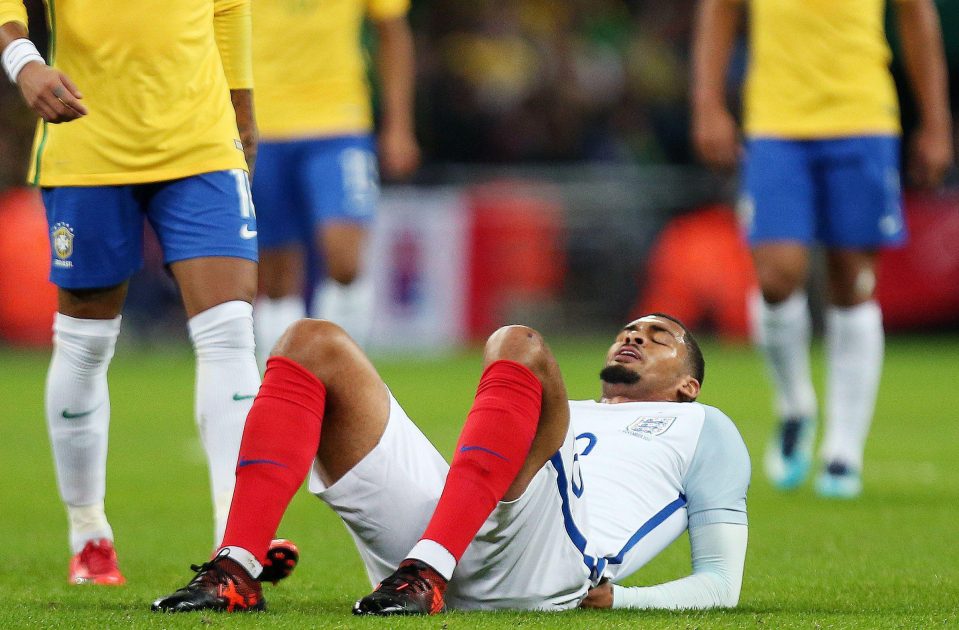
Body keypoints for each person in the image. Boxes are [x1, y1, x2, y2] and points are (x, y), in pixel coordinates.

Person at [152, 313, 750, 614]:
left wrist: (621, 600)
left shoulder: (705, 427)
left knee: (519, 342)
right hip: (453, 528)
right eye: (630, 329)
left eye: (659, 336)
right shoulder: (575, 409)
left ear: (690, 385)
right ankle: (236, 568)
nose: (635, 337)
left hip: (551, 562)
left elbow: (721, 587)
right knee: (312, 342)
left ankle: (429, 573)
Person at [0, 0, 261, 583]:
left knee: (228, 333)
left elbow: (229, 7)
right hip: (88, 136)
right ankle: (88, 533)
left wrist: (242, 108)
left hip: (201, 139)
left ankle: (236, 544)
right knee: (86, 342)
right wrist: (24, 63)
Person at [691, 0, 953, 498]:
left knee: (853, 280)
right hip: (776, 123)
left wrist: (936, 122)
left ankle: (842, 450)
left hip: (863, 118)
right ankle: (794, 406)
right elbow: (719, 11)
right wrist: (708, 105)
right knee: (776, 275)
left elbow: (917, 17)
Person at [250, 0, 419, 365]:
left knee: (345, 260)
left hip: (339, 124)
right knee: (277, 276)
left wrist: (399, 125)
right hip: (264, 126)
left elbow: (393, 34)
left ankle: (341, 374)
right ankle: (280, 382)